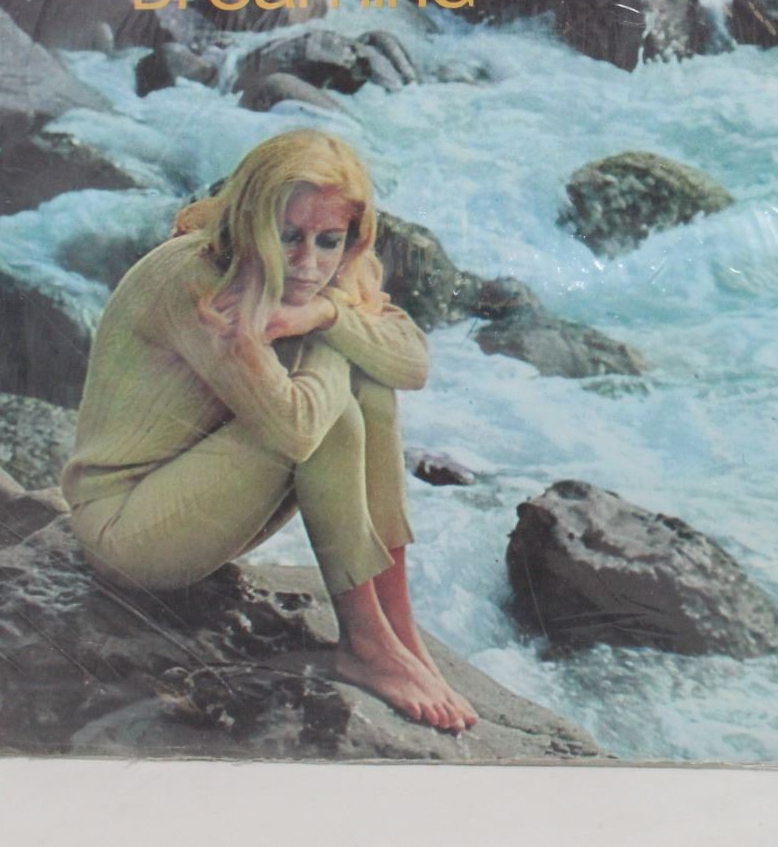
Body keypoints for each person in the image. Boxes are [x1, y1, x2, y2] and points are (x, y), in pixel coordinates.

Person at [61, 129, 478, 732]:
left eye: (329, 240)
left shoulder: (325, 275)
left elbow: (411, 364)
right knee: (333, 411)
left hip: (192, 500)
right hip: (126, 531)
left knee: (371, 384)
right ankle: (365, 643)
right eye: (289, 236)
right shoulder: (200, 281)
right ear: (253, 219)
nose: (308, 262)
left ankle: (396, 628)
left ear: (350, 235)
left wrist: (326, 313)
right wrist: (331, 335)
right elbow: (301, 430)